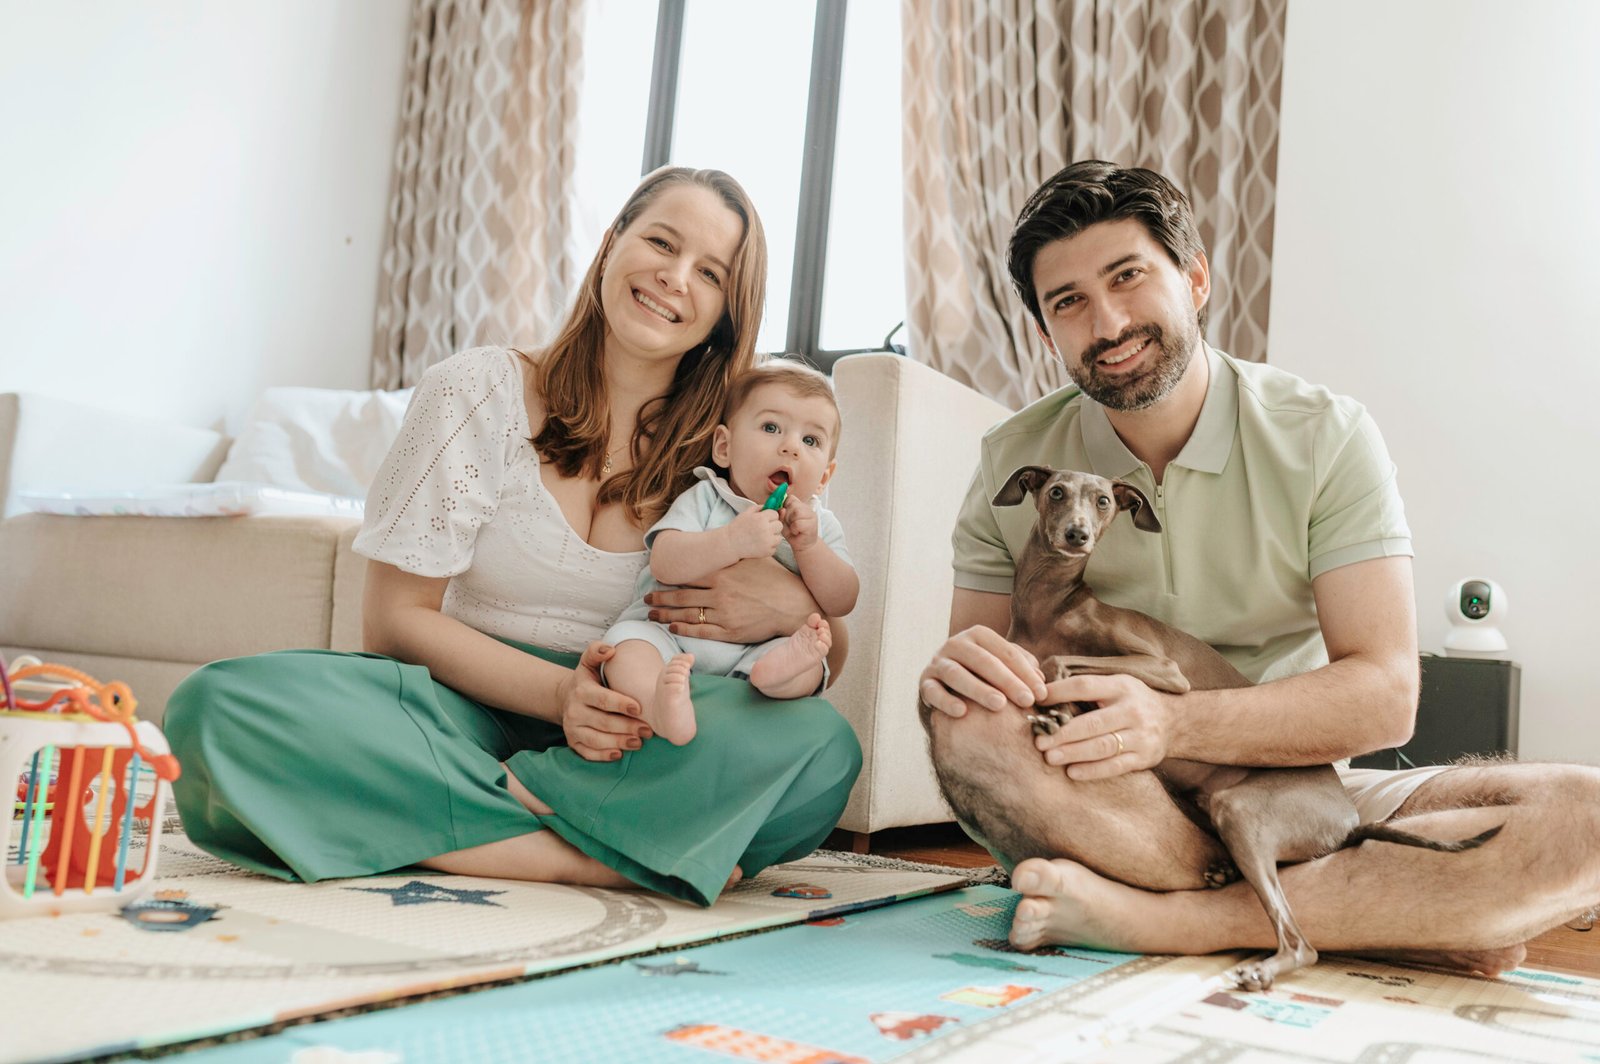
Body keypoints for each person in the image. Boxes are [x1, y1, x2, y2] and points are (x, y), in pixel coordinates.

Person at [917, 159, 1600, 974]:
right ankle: (1353, 909)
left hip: (1294, 793)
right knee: (962, 719)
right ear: (1045, 334)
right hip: (1103, 798)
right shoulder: (1013, 459)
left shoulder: (1325, 435)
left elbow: (1386, 696)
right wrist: (963, 672)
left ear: (1196, 278)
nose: (1109, 322)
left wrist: (1172, 724)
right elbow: (981, 676)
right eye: (1069, 302)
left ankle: (1181, 919)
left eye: (1128, 277)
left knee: (1587, 816)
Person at [165, 166, 862, 909]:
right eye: (661, 242)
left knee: (821, 751)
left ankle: (457, 823)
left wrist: (792, 607)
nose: (675, 277)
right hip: (457, 711)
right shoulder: (475, 390)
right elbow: (393, 622)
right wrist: (563, 693)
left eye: (710, 273)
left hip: (637, 734)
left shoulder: (737, 445)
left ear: (726, 313)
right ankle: (570, 855)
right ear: (611, 242)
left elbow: (828, 647)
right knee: (218, 709)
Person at [600, 360, 858, 746]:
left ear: (824, 477)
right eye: (771, 427)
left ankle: (772, 677)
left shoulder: (819, 526)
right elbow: (664, 561)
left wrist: (809, 547)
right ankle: (657, 704)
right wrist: (732, 541)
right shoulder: (707, 496)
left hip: (759, 651)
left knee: (808, 665)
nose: (790, 447)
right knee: (624, 646)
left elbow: (843, 600)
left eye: (810, 441)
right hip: (668, 638)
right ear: (724, 447)